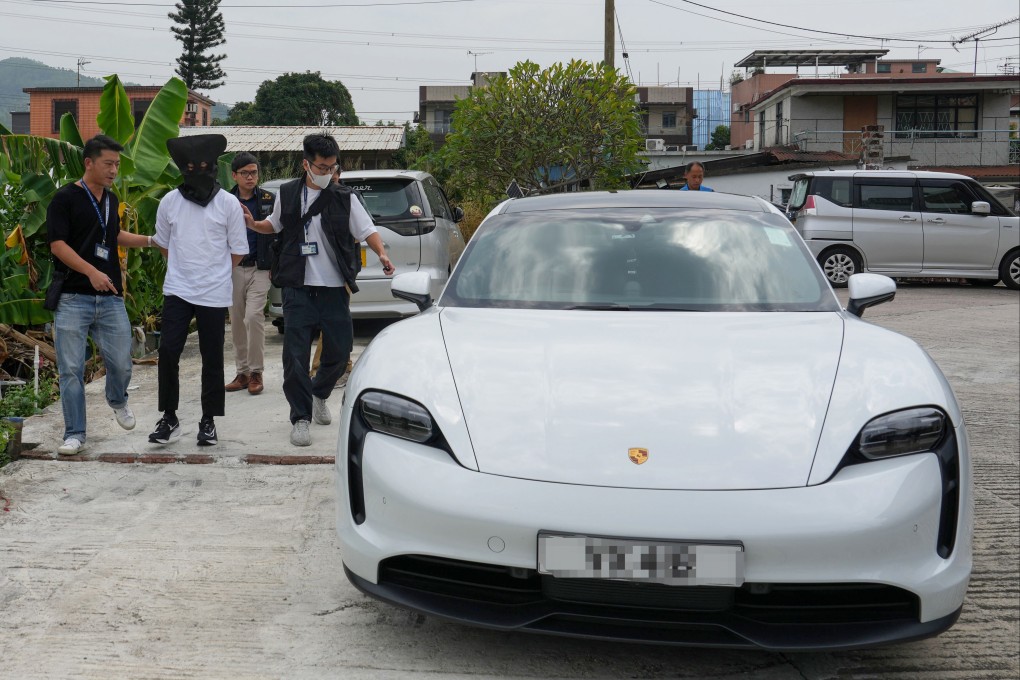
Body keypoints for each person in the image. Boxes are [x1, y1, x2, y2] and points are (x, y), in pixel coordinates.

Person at [243, 133, 394, 447]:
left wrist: (381, 253)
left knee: (339, 354)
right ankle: (299, 418)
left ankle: (318, 394)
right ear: (306, 165)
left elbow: (367, 230)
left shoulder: (345, 197)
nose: (326, 173)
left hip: (333, 289)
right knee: (294, 359)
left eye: (331, 167)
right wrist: (256, 225)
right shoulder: (287, 193)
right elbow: (275, 223)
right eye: (321, 167)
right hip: (298, 288)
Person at [46, 134, 158, 455]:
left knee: (122, 362)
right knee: (70, 370)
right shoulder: (64, 199)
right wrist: (90, 271)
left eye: (117, 165)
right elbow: (58, 246)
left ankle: (118, 399)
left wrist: (151, 241)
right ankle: (75, 434)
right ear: (89, 163)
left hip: (110, 298)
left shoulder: (110, 200)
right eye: (108, 164)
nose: (113, 170)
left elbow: (114, 235)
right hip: (71, 297)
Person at [149, 134, 249, 447]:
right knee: (167, 352)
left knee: (212, 357)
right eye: (191, 167)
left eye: (203, 167)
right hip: (178, 289)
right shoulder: (170, 202)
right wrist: (184, 269)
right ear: (183, 169)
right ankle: (170, 416)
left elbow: (238, 250)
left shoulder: (228, 203)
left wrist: (215, 273)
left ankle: (208, 420)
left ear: (213, 168)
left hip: (214, 292)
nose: (197, 173)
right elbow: (164, 245)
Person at [224, 152, 276, 396]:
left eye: (253, 172)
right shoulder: (224, 201)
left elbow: (279, 232)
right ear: (234, 175)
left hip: (261, 267)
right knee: (236, 320)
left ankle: (256, 372)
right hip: (232, 268)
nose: (250, 177)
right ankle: (242, 372)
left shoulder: (269, 200)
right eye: (244, 173)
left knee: (253, 317)